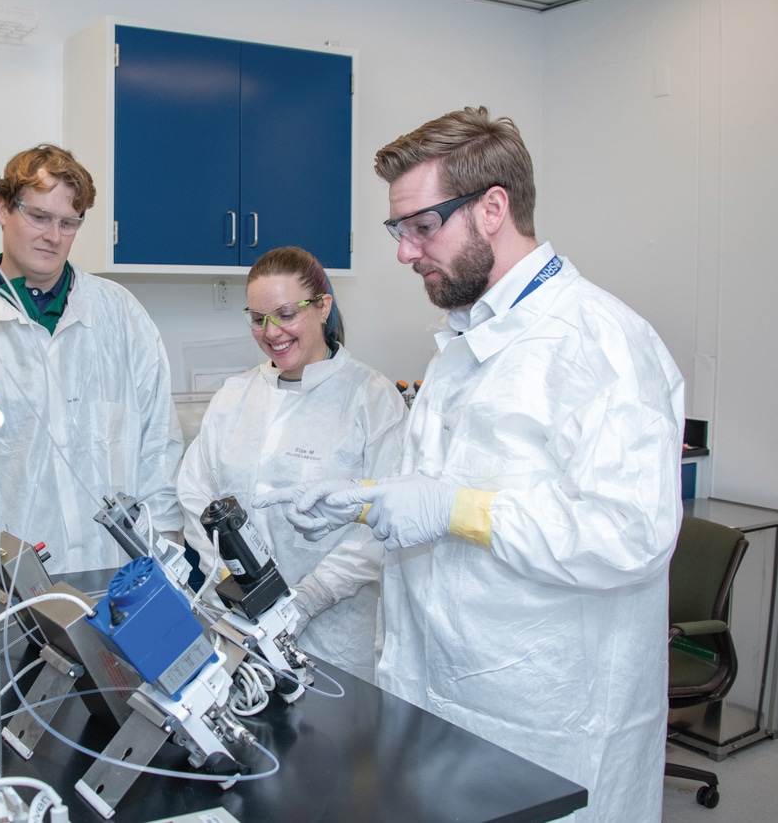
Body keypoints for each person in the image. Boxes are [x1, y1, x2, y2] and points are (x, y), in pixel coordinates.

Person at [256, 108, 684, 822]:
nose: (405, 252)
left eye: (423, 226)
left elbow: (631, 534)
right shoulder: (462, 347)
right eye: (400, 230)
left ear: (493, 208)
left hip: (550, 723)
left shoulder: (601, 344)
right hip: (444, 700)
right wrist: (375, 496)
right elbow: (450, 485)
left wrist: (458, 509)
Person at [0, 143, 184, 573]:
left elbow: (159, 446)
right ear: (3, 209)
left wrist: (165, 553)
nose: (53, 235)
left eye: (68, 222)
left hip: (114, 573)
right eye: (38, 216)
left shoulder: (120, 315)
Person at [178, 246, 406, 682]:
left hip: (334, 638)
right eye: (258, 318)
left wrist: (308, 599)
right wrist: (230, 577)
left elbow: (382, 524)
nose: (271, 331)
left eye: (286, 313)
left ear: (323, 306)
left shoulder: (372, 401)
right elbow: (195, 494)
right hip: (238, 627)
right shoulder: (235, 396)